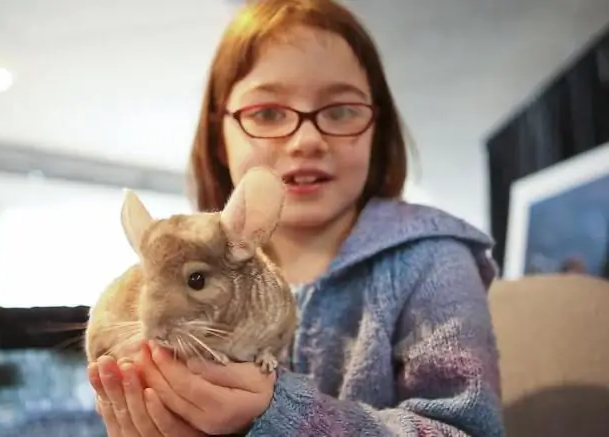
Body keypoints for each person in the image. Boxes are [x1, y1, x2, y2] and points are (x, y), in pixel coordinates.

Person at [87, 0, 506, 435]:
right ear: (219, 136)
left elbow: (468, 430)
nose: (307, 140)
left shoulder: (432, 260)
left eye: (341, 110)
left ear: (375, 128)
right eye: (267, 113)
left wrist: (280, 412)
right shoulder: (182, 260)